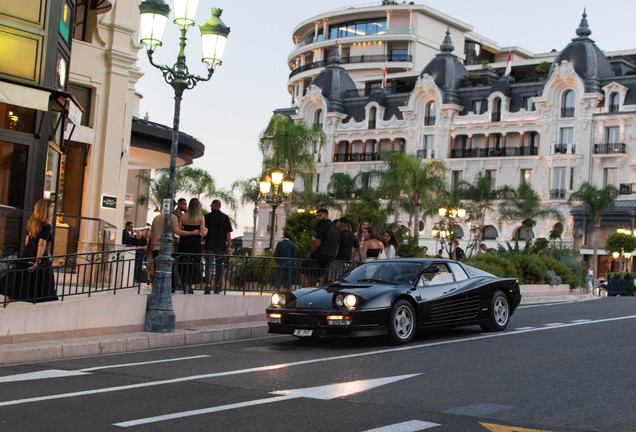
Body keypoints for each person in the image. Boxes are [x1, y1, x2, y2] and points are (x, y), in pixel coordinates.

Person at [1, 199, 58, 304]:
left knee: (19, 279)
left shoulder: (32, 222)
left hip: (28, 253)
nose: (51, 210)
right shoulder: (46, 226)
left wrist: (28, 255)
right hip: (39, 255)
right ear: (46, 209)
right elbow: (41, 244)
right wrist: (37, 262)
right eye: (50, 208)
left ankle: (5, 305)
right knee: (43, 282)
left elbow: (28, 240)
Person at [149, 201, 200, 292]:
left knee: (157, 269)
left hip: (156, 247)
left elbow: (152, 235)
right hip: (168, 249)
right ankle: (170, 289)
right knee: (170, 271)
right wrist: (193, 233)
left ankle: (156, 288)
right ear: (172, 207)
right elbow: (177, 231)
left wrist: (153, 246)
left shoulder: (156, 218)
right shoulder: (172, 217)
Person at [176, 198, 207, 294]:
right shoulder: (201, 217)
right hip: (195, 244)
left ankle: (185, 285)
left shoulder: (183, 217)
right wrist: (197, 232)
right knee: (195, 265)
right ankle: (191, 286)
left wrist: (189, 232)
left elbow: (178, 232)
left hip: (184, 244)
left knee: (184, 264)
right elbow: (203, 233)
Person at [303, 209, 340, 287]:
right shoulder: (336, 228)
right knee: (316, 275)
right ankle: (311, 291)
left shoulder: (323, 225)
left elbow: (317, 243)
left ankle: (304, 291)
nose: (318, 218)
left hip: (320, 255)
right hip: (330, 256)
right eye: (317, 216)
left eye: (320, 215)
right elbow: (337, 246)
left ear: (326, 215)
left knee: (304, 271)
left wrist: (310, 253)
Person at [204, 199, 233, 294]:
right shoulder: (225, 217)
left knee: (208, 263)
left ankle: (208, 285)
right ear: (219, 206)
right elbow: (228, 234)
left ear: (212, 206)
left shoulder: (207, 217)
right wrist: (228, 246)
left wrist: (202, 242)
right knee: (219, 265)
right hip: (220, 245)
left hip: (209, 243)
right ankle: (217, 285)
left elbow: (204, 232)